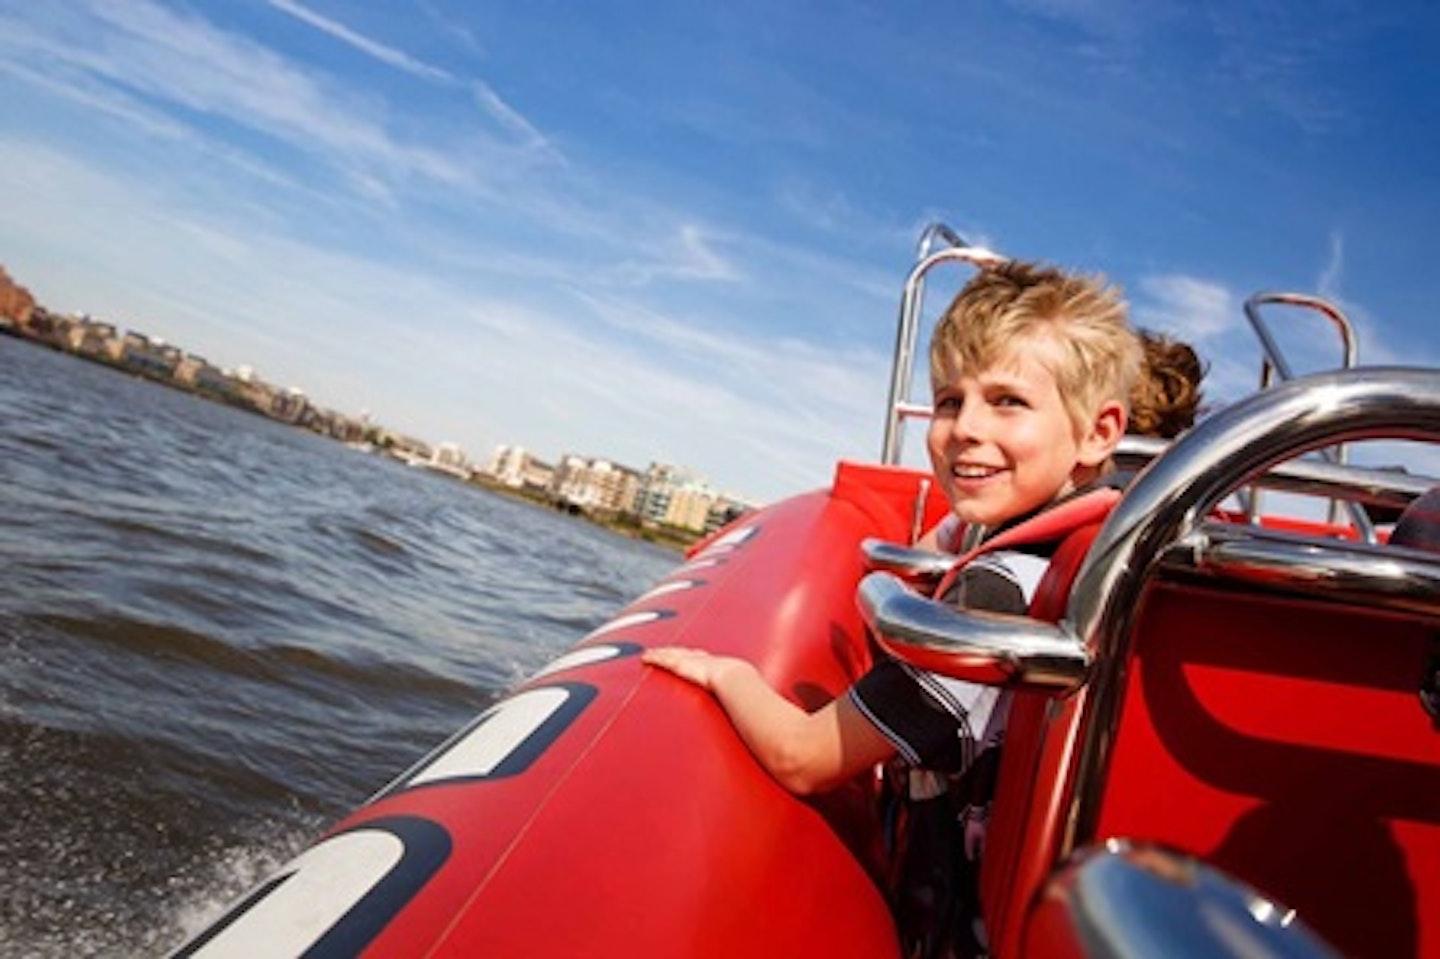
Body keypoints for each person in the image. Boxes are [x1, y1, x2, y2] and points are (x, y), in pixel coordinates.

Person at [644, 259, 1144, 957]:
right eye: (948, 400)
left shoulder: (997, 591)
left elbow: (802, 756)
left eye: (1008, 401)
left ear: (1098, 432)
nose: (965, 427)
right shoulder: (1074, 551)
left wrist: (727, 673)